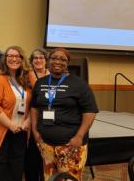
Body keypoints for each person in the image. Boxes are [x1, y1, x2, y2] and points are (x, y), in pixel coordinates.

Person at [30, 48, 98, 181]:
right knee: (49, 178)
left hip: (70, 146)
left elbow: (90, 111)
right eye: (54, 58)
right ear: (48, 61)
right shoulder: (40, 83)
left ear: (68, 63)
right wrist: (34, 130)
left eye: (62, 59)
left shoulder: (79, 84)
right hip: (46, 144)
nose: (57, 62)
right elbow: (34, 107)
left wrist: (79, 136)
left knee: (69, 179)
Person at [0, 46, 32, 181]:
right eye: (10, 56)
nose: (14, 59)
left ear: (22, 59)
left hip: (20, 130)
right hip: (0, 131)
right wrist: (10, 125)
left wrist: (28, 121)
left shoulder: (26, 78)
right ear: (5, 58)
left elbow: (35, 103)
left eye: (17, 56)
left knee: (16, 168)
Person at [25, 48, 50, 181]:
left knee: (46, 157)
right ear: (31, 61)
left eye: (41, 58)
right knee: (33, 156)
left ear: (46, 60)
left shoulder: (52, 74)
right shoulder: (27, 75)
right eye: (35, 58)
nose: (38, 60)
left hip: (49, 120)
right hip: (31, 117)